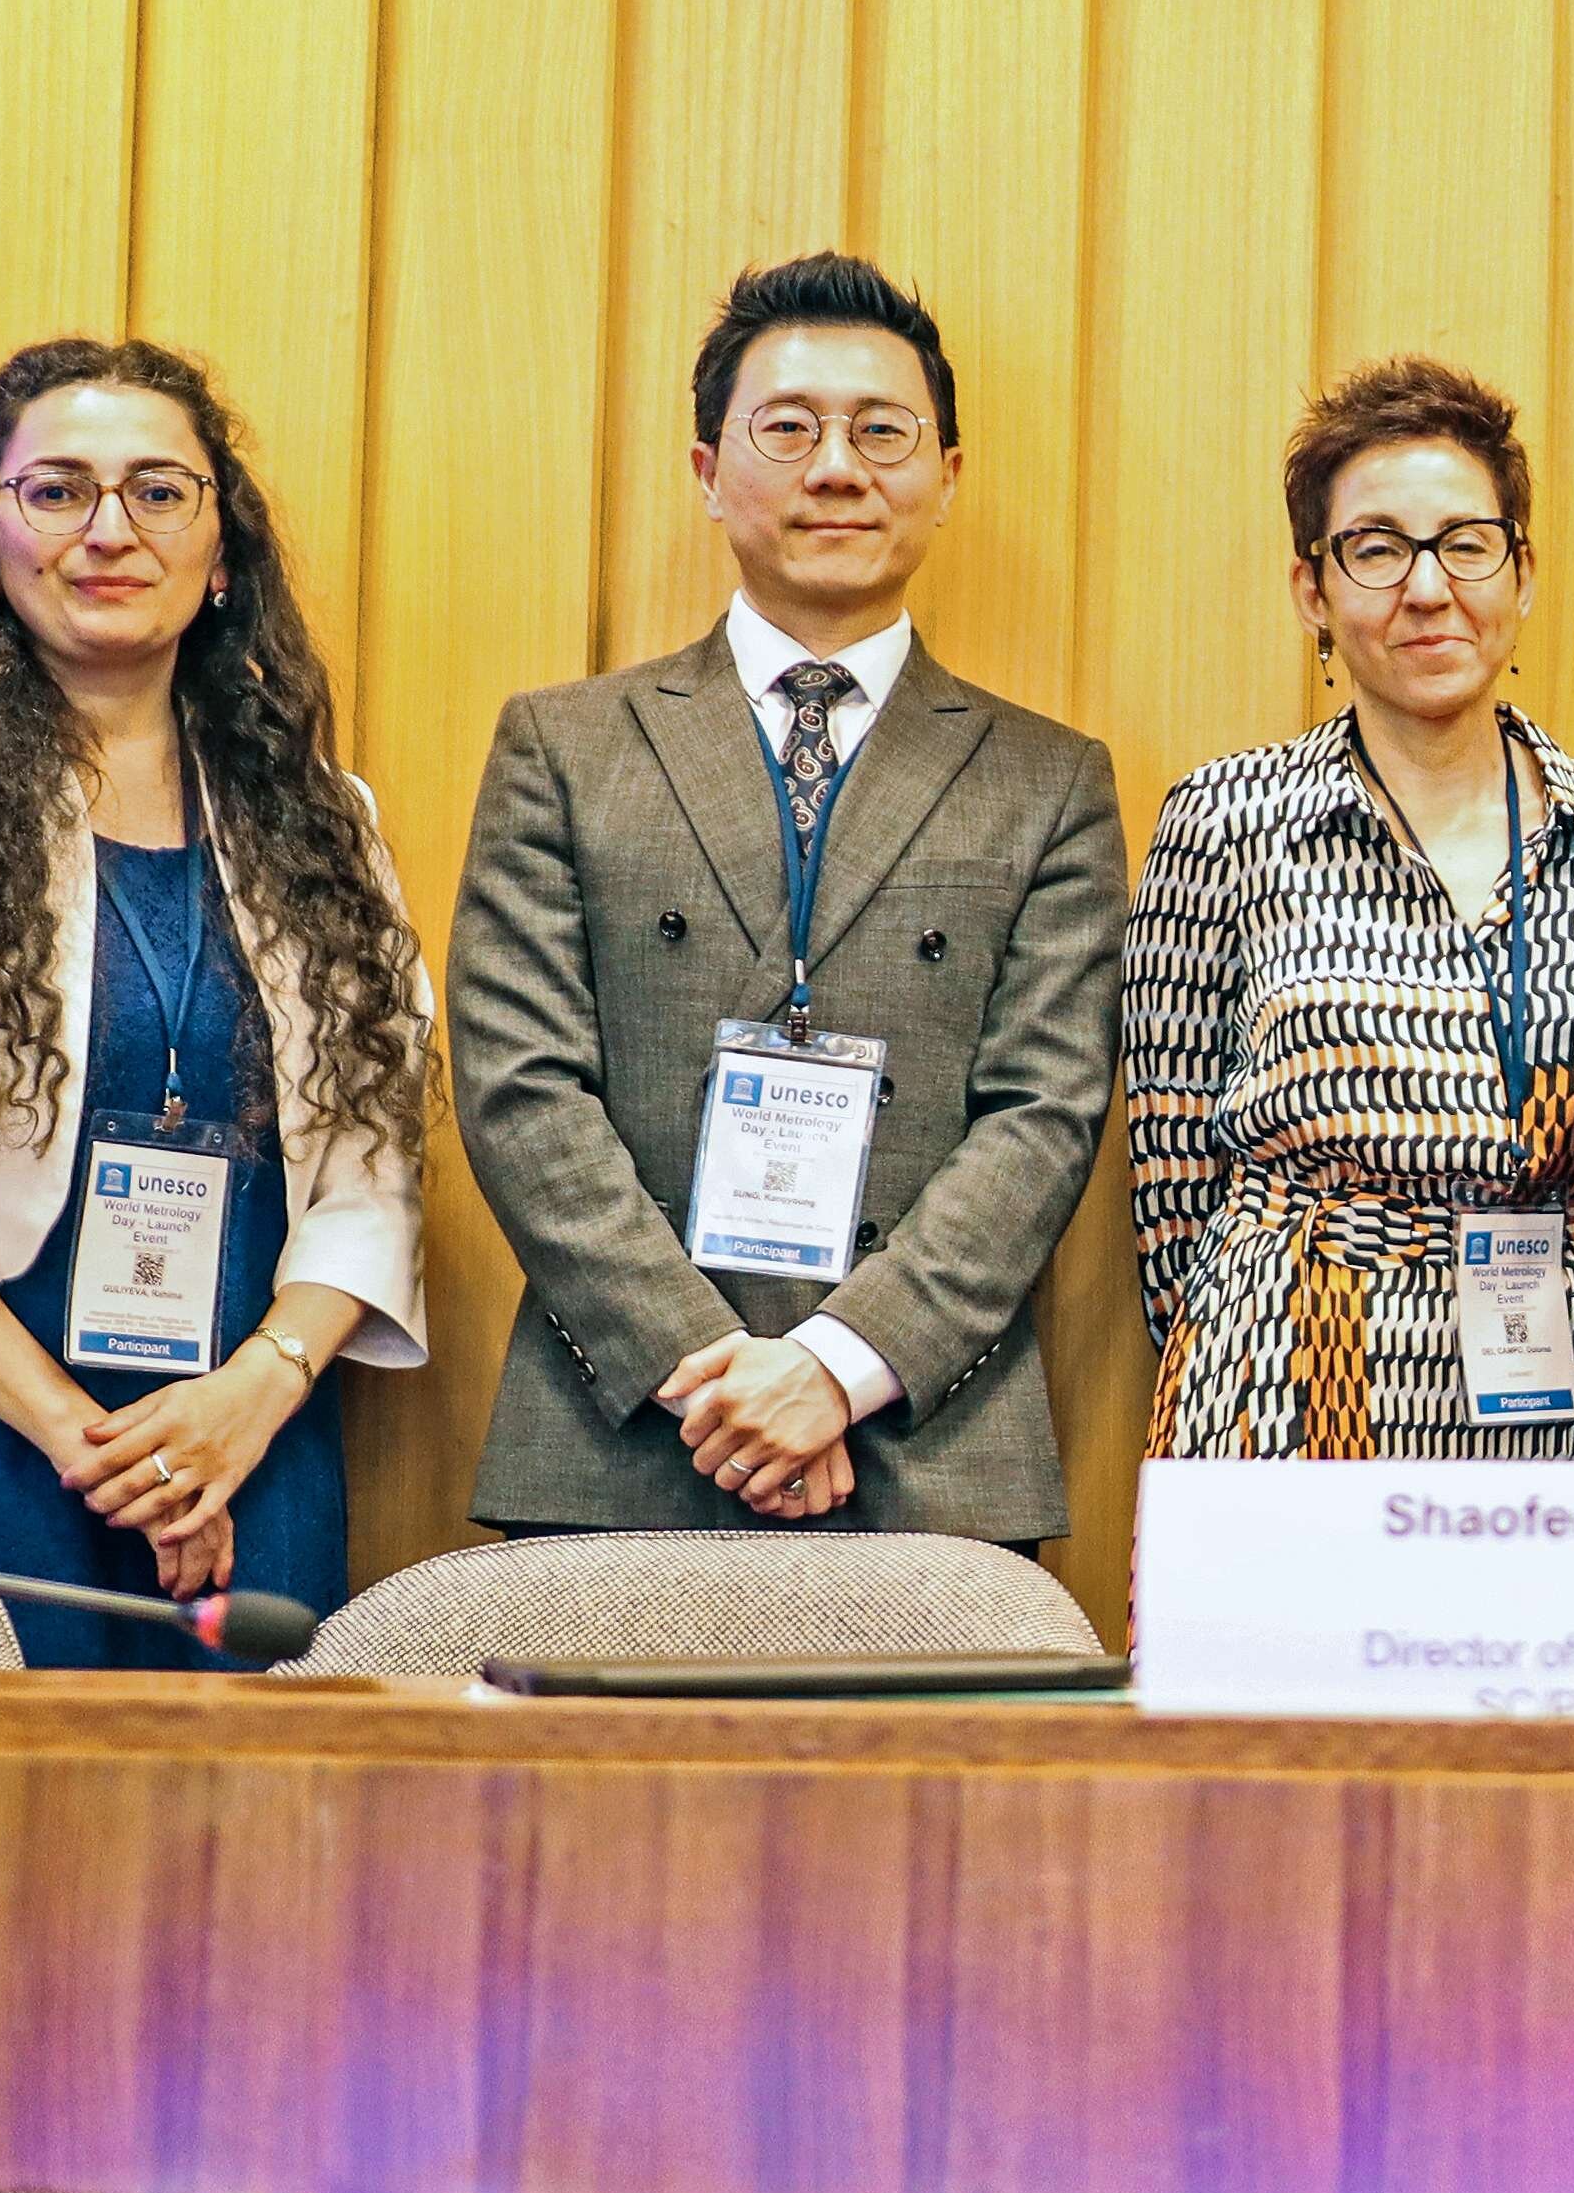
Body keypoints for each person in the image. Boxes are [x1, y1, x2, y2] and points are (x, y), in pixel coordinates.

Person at [1086, 358, 1574, 2193]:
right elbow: (1168, 1166)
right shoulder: (1227, 819)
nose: (1426, 584)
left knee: (1540, 1905)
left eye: (1463, 542)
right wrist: (1257, 1378)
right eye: (1374, 548)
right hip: (1294, 1389)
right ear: (1311, 588)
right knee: (1300, 1922)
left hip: (1559, 1385)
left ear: (1525, 571)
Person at [0, 343, 436, 1666]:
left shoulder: (322, 819)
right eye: (57, 490)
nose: (110, 529)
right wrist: (89, 1440)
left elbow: (376, 1158)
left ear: (221, 552)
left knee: (237, 1797)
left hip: (244, 1443)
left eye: (158, 491)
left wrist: (257, 1390)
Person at [452, 256, 1126, 1539]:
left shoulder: (1049, 779)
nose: (836, 467)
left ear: (947, 475)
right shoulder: (564, 746)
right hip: (624, 1435)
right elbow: (518, 1084)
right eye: (789, 428)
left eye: (883, 431)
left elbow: (1044, 1115)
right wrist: (711, 1376)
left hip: (924, 1443)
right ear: (709, 470)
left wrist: (833, 1369)